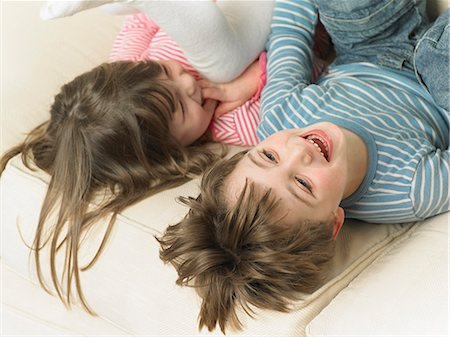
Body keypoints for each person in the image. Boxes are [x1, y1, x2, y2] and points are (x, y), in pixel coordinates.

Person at [0, 0, 332, 319]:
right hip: (286, 19)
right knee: (223, 63)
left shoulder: (131, 68)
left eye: (165, 71)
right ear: (175, 149)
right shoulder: (234, 123)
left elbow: (142, 20)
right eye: (183, 106)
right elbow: (306, 76)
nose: (187, 80)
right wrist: (253, 80)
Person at [157, 0, 450, 333]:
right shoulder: (411, 188)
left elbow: (289, 35)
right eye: (303, 185)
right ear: (331, 224)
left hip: (369, 46)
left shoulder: (279, 117)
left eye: (268, 157)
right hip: (438, 90)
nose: (299, 152)